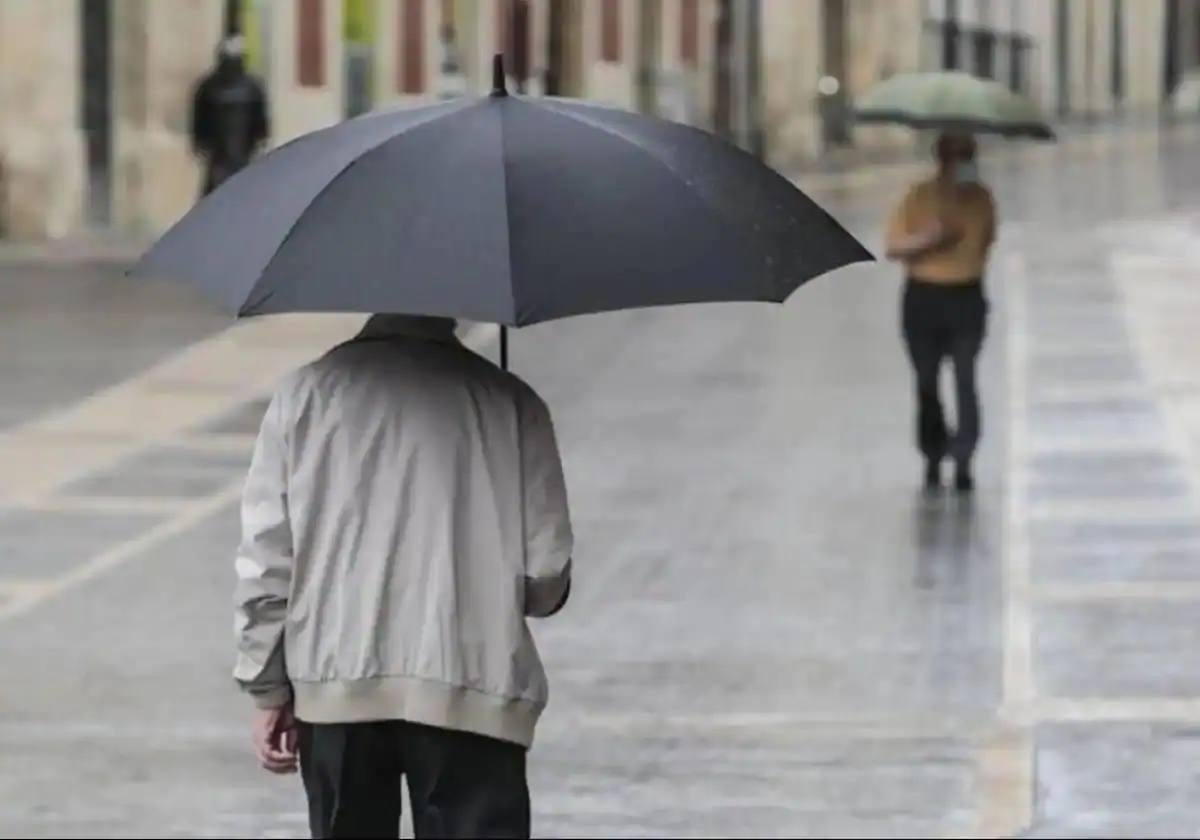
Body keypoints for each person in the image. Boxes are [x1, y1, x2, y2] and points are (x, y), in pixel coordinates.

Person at [233, 314, 573, 838]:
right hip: (472, 690)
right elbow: (545, 577)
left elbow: (268, 560)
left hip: (335, 688)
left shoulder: (303, 396)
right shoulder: (511, 402)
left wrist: (267, 688)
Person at [885, 131, 996, 493]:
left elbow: (979, 244)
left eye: (968, 155)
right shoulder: (918, 196)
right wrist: (929, 238)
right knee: (926, 382)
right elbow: (894, 246)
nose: (963, 163)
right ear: (942, 159)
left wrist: (943, 237)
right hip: (923, 299)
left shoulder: (981, 199)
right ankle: (933, 453)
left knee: (965, 377)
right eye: (957, 155)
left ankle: (964, 456)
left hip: (965, 297)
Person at [190, 35, 269, 197]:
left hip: (237, 154)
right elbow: (200, 118)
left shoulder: (249, 87)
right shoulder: (211, 87)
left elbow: (260, 121)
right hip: (222, 156)